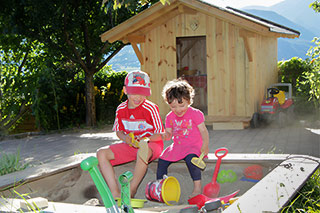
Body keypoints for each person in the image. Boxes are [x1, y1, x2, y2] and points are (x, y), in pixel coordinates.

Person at [97, 70, 164, 198]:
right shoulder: (121, 109)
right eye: (134, 93)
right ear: (125, 90)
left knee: (142, 150)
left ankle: (131, 190)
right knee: (101, 153)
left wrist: (145, 139)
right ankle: (115, 192)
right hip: (131, 145)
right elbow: (119, 132)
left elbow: (158, 135)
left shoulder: (151, 108)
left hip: (151, 145)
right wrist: (125, 138)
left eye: (142, 93)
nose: (138, 97)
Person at [157, 78, 209, 198]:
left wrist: (205, 145)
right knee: (162, 160)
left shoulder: (196, 114)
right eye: (173, 106)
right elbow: (169, 133)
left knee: (191, 160)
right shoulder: (170, 117)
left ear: (189, 101)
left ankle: (197, 188)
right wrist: (165, 135)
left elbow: (203, 131)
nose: (178, 110)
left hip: (193, 146)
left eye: (181, 105)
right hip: (178, 146)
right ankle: (160, 186)